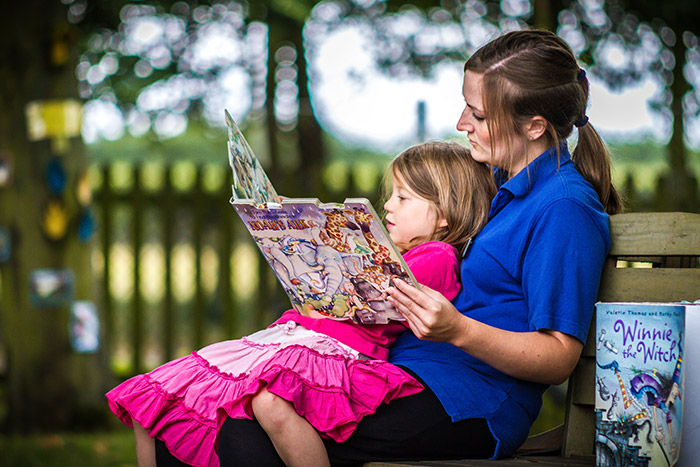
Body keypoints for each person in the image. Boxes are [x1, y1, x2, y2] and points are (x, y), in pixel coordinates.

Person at [212, 28, 622, 466]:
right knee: (218, 409)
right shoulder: (502, 188)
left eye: (478, 115)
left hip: (469, 402)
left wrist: (459, 330)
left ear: (535, 126)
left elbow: (558, 357)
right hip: (409, 372)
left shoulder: (563, 207)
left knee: (239, 434)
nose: (463, 124)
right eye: (467, 108)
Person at [107, 141, 497, 467]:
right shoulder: (393, 251)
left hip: (334, 352)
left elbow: (372, 298)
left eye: (403, 197)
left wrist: (326, 250)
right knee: (156, 397)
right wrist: (290, 225)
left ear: (443, 215)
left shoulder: (436, 256)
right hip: (297, 337)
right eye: (390, 195)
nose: (389, 206)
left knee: (270, 404)